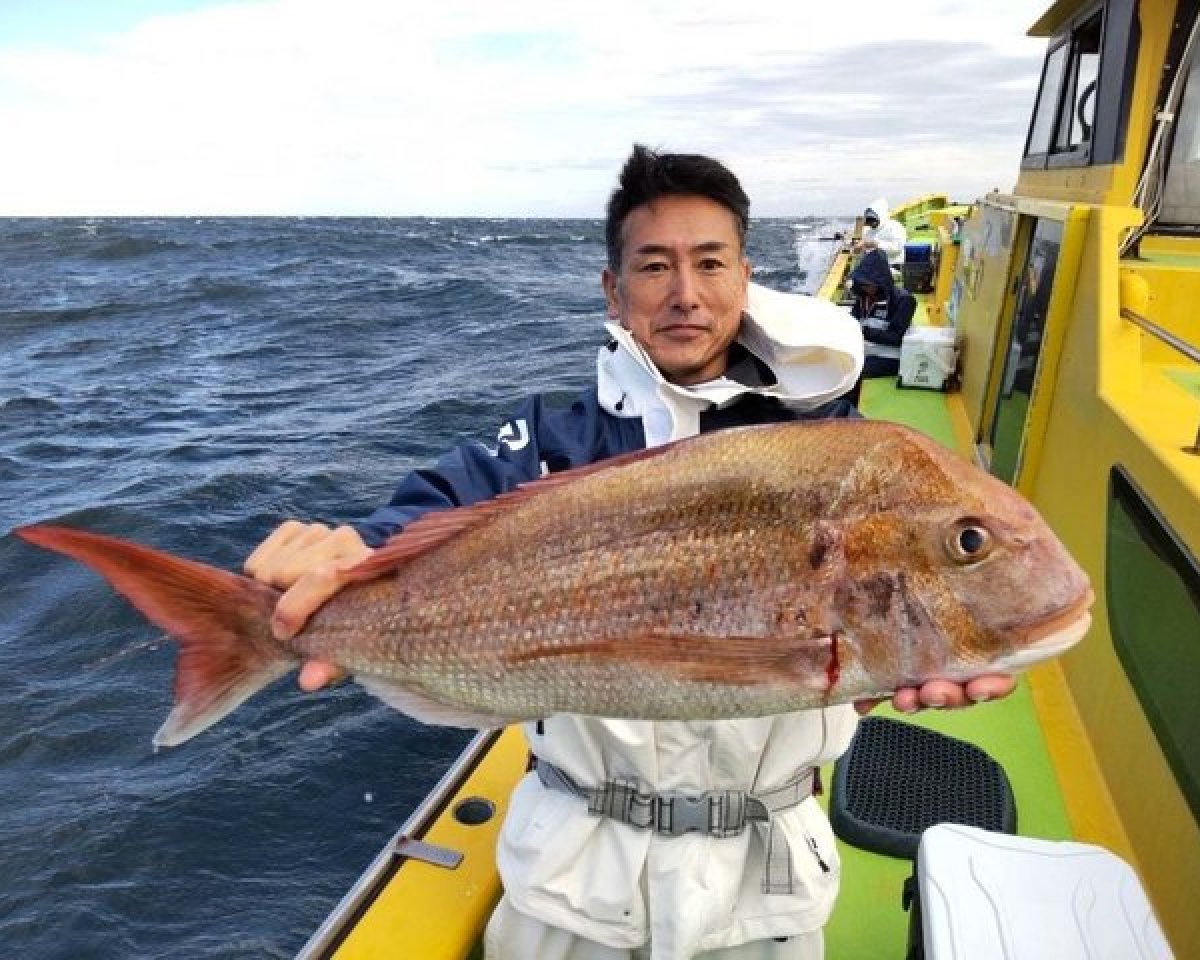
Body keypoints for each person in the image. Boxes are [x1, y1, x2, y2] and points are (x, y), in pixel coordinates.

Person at [244, 146, 1015, 960]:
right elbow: (431, 510)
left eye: (709, 262)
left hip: (767, 875)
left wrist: (955, 639)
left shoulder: (832, 453)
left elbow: (924, 584)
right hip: (574, 873)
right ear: (615, 291)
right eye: (654, 266)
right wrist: (348, 554)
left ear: (744, 277)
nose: (685, 293)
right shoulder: (554, 440)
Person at [849, 248, 917, 380]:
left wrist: (863, 331)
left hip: (891, 357)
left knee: (852, 372)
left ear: (881, 281)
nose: (865, 287)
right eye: (862, 284)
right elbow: (853, 320)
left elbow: (896, 338)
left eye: (869, 283)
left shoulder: (905, 300)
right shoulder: (863, 297)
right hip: (866, 351)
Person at [851, 198, 906, 267]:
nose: (871, 223)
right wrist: (857, 249)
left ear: (881, 217)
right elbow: (862, 251)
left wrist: (876, 244)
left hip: (892, 265)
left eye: (873, 219)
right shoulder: (868, 231)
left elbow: (897, 248)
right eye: (868, 220)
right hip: (873, 266)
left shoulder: (895, 227)